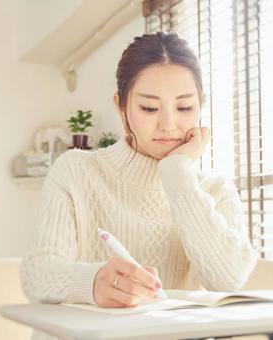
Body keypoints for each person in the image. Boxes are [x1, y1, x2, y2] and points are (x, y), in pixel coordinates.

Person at [20, 31, 257, 339]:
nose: (168, 124)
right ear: (122, 108)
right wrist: (93, 282)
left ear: (201, 106)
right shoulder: (75, 171)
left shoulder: (213, 189)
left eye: (185, 108)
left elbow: (228, 280)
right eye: (149, 108)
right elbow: (37, 274)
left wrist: (176, 174)